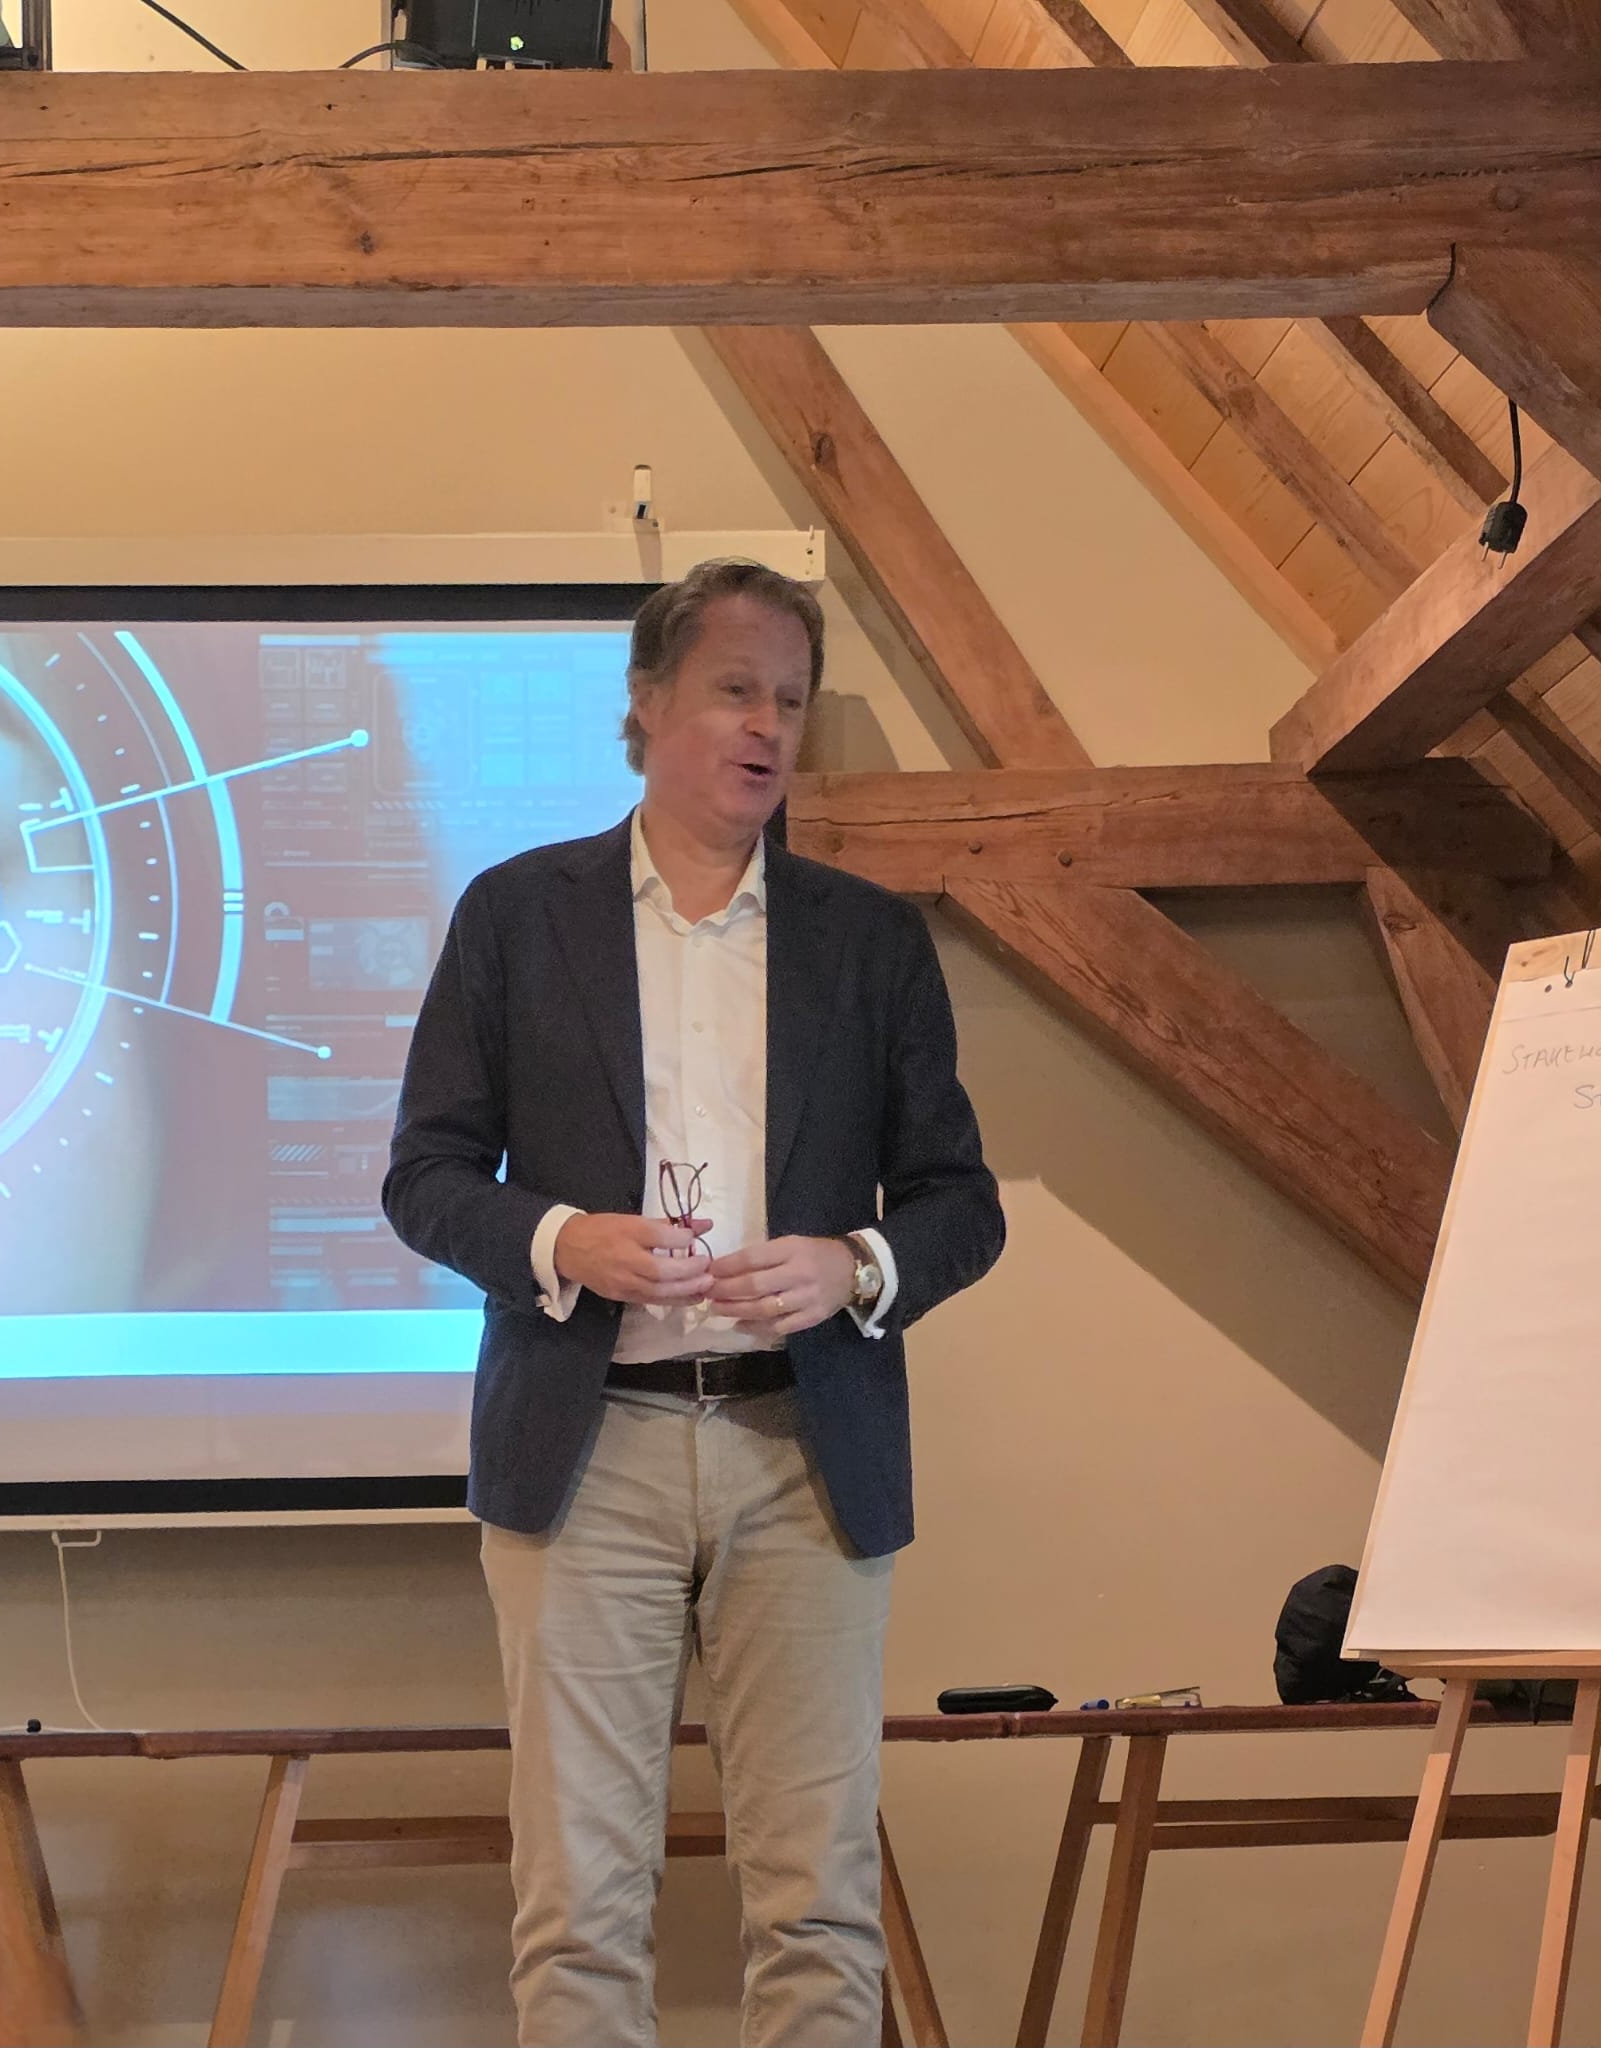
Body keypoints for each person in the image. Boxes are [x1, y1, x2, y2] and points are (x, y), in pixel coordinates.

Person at [382, 558, 1004, 2048]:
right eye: (735, 689)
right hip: (584, 1449)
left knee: (818, 1904)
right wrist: (561, 1240)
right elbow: (426, 1176)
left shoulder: (868, 939)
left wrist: (853, 1266)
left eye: (790, 700)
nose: (768, 726)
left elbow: (958, 1202)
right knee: (580, 1911)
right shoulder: (518, 914)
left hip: (804, 1450)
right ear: (647, 705)